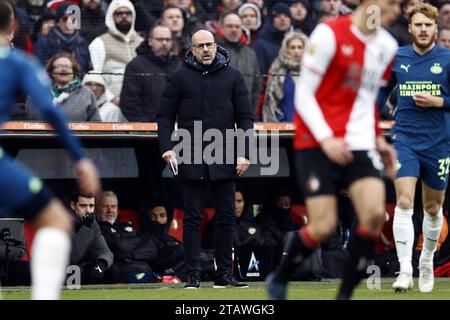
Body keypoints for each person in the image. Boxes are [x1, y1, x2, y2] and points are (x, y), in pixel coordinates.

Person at [266, 0, 400, 300]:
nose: (397, 11)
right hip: (316, 142)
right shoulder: (328, 34)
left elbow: (367, 100)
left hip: (359, 142)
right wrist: (327, 137)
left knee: (374, 215)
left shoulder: (387, 46)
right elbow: (304, 94)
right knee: (324, 226)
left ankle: (343, 296)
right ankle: (281, 276)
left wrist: (378, 139)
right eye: (392, 3)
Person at [0, 2, 101, 299]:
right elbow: (49, 109)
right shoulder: (17, 62)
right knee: (56, 220)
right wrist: (80, 159)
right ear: (13, 28)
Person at [157, 29, 254, 289]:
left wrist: (245, 152)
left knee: (226, 216)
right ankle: (193, 275)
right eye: (200, 46)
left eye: (209, 44)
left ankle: (224, 274)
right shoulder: (179, 77)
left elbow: (245, 118)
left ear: (216, 45)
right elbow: (165, 116)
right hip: (190, 152)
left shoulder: (233, 77)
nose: (206, 49)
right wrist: (166, 148)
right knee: (192, 217)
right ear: (192, 49)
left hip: (224, 153)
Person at [378, 3, 450, 293]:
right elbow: (378, 93)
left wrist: (440, 102)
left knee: (433, 208)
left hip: (438, 143)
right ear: (410, 28)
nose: (423, 29)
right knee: (405, 202)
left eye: (428, 25)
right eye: (418, 25)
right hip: (404, 139)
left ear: (436, 28)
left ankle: (427, 260)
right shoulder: (397, 58)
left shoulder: (447, 59)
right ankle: (405, 269)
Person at [120, 25, 179, 122]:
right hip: (148, 131)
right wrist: (146, 126)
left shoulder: (178, 65)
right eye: (160, 39)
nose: (164, 43)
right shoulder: (136, 66)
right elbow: (129, 103)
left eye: (168, 40)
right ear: (150, 41)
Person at [95, 191, 157, 283]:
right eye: (105, 206)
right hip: (121, 271)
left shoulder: (125, 226)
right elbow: (118, 250)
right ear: (96, 208)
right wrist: (133, 246)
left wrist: (130, 255)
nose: (110, 210)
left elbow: (152, 249)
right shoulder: (96, 228)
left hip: (144, 269)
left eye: (113, 206)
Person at [89, 0, 144, 102]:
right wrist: (112, 99)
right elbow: (95, 77)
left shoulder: (142, 43)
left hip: (141, 103)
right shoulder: (99, 43)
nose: (124, 16)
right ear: (111, 16)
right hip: (111, 103)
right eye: (119, 13)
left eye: (128, 13)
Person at [25, 52, 101, 122]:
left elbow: (97, 123)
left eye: (67, 67)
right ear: (52, 72)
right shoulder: (37, 93)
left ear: (74, 72)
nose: (64, 69)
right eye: (59, 66)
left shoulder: (86, 94)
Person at [215, 11, 261, 114]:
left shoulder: (250, 54)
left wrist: (251, 113)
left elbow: (256, 87)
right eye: (229, 26)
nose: (234, 30)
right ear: (221, 28)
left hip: (244, 115)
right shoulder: (211, 52)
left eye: (237, 26)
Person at [69, 190, 114, 284]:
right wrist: (86, 227)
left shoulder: (92, 223)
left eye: (91, 206)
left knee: (112, 271)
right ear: (73, 205)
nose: (88, 210)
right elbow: (72, 258)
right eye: (83, 206)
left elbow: (105, 251)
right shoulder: (64, 222)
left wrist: (101, 264)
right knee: (75, 271)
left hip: (83, 266)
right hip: (61, 269)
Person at [34, 2, 92, 74]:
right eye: (65, 19)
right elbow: (40, 70)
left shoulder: (82, 42)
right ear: (58, 22)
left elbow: (86, 69)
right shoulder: (44, 41)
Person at [262, 31, 307, 122]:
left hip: (308, 125)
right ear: (286, 49)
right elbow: (271, 102)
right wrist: (280, 120)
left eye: (300, 47)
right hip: (284, 126)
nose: (296, 51)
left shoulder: (312, 71)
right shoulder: (277, 69)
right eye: (292, 47)